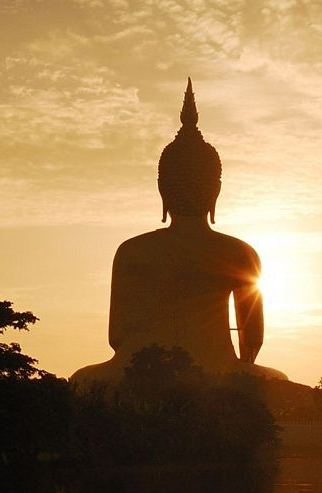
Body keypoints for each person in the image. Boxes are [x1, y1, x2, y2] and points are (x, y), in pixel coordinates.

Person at [71, 79, 287, 386]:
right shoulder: (239, 253)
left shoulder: (132, 251)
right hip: (218, 376)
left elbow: (117, 336)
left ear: (163, 189)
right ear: (216, 190)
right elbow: (252, 342)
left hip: (140, 375)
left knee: (84, 382)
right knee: (276, 380)